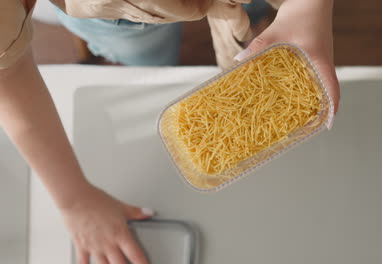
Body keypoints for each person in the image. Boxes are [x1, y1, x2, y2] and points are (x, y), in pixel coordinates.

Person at [0, 0, 340, 263]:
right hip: (122, 16)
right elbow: (8, 73)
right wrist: (74, 202)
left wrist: (308, 7)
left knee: (253, 17)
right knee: (146, 58)